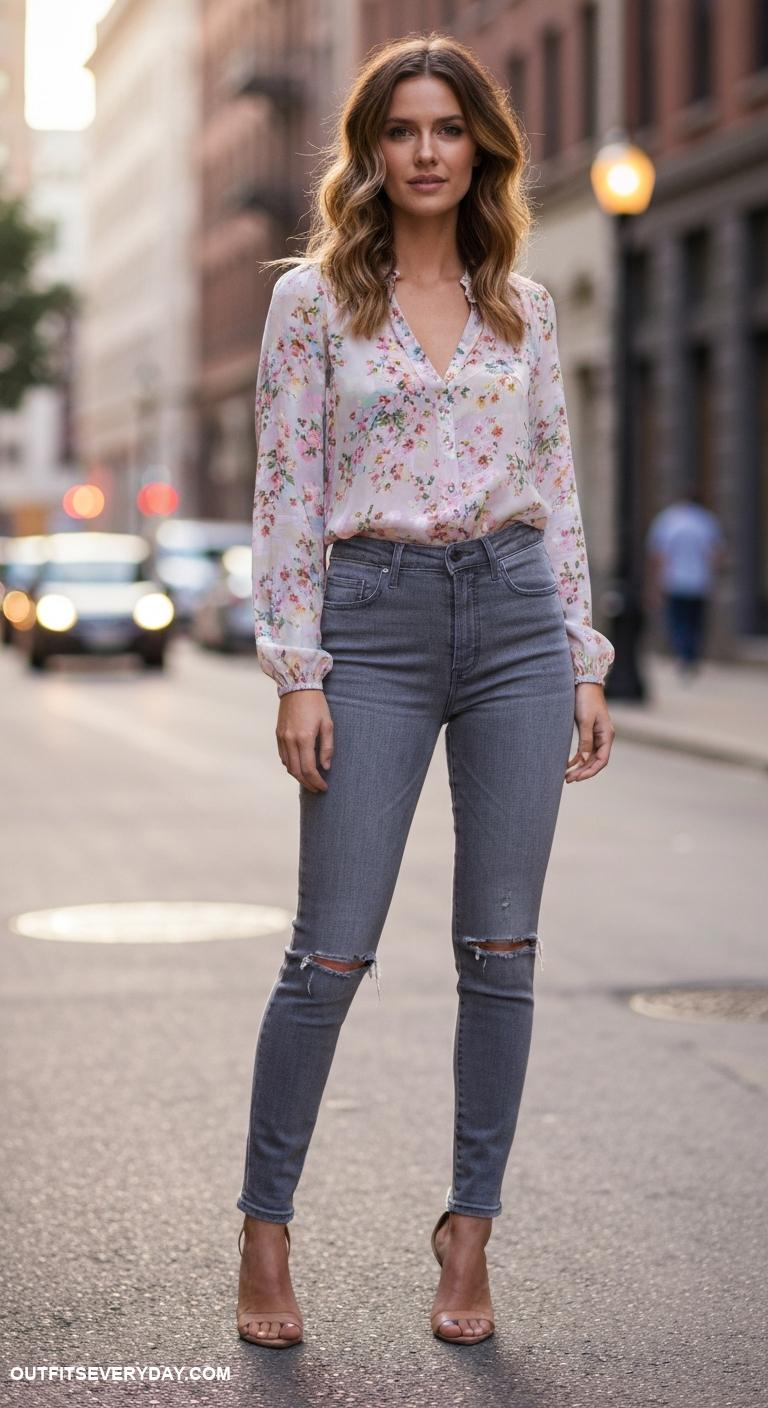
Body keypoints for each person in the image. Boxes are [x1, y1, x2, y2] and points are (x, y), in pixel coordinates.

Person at [236, 33, 616, 1351]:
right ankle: (266, 1235)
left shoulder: (526, 301)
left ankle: (470, 1232)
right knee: (330, 951)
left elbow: (556, 483)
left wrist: (580, 650)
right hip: (375, 623)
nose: (426, 151)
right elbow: (285, 495)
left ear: (482, 149)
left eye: (448, 128)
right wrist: (300, 669)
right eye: (401, 130)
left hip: (512, 614)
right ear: (370, 150)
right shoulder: (312, 301)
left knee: (501, 950)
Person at [646, 491, 727, 675]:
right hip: (699, 582)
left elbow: (658, 555)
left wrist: (655, 583)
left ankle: (683, 655)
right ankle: (691, 655)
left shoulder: (668, 520)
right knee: (695, 621)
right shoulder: (706, 521)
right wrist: (716, 577)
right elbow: (716, 553)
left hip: (674, 580)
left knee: (678, 621)